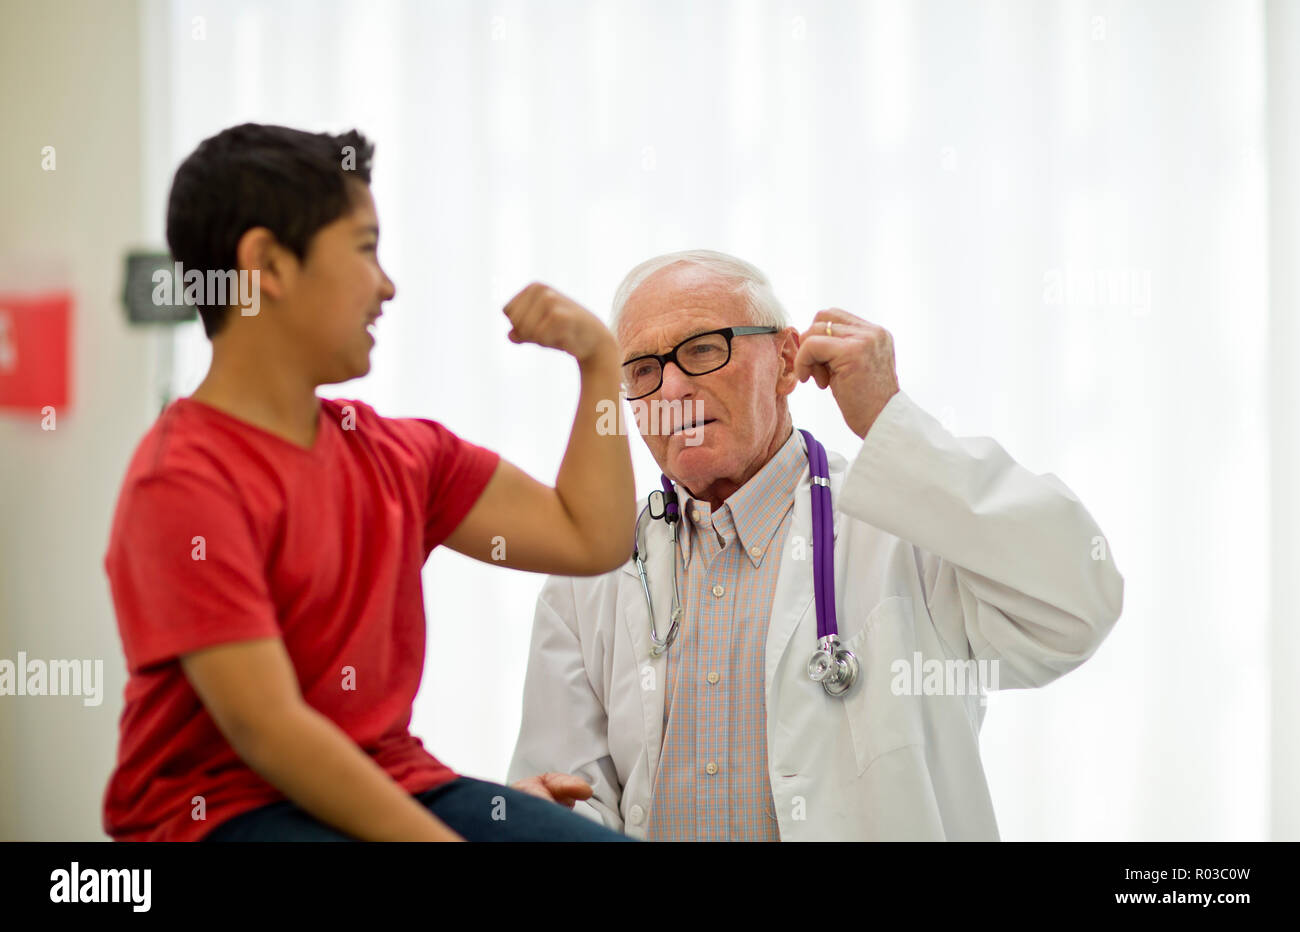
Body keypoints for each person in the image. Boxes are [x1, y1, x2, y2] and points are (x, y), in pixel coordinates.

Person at [102, 123, 634, 842]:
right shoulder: (181, 481)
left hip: (394, 779)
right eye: (364, 248)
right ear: (267, 264)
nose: (387, 284)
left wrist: (597, 359)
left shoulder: (399, 456)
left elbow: (592, 536)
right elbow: (270, 730)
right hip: (224, 815)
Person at [508, 249, 1125, 840]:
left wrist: (889, 420)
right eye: (642, 369)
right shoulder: (589, 573)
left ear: (785, 360)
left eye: (702, 349)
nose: (670, 390)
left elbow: (1075, 609)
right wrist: (543, 821)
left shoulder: (907, 525)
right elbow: (570, 791)